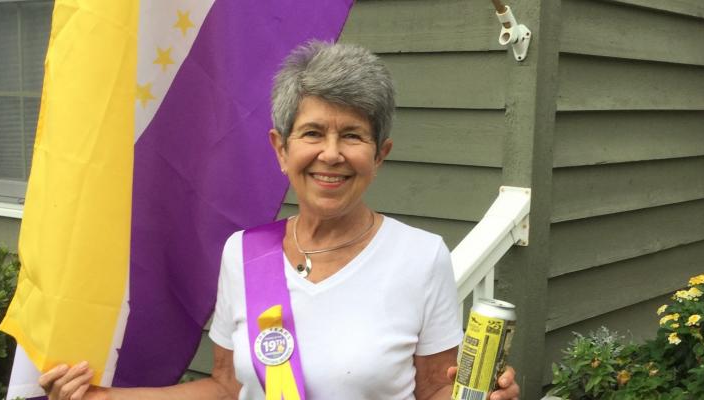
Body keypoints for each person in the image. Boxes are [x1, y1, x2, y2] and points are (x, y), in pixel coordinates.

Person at [39, 41, 520, 400]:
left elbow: (436, 391)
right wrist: (107, 397)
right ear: (281, 149)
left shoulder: (420, 256)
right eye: (312, 132)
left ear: (380, 155)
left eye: (352, 135)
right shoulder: (243, 253)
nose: (331, 154)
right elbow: (227, 387)